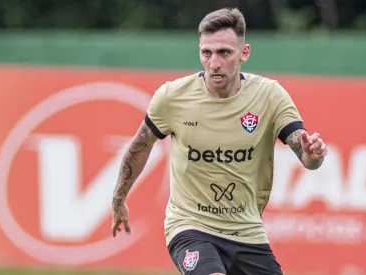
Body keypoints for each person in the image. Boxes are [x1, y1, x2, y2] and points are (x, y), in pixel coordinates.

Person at [111, 7, 328, 275]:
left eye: (224, 53)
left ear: (244, 53)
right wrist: (119, 198)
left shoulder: (270, 96)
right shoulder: (172, 97)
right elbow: (139, 147)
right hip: (190, 226)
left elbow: (307, 159)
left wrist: (314, 156)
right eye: (207, 53)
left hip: (247, 230)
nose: (214, 63)